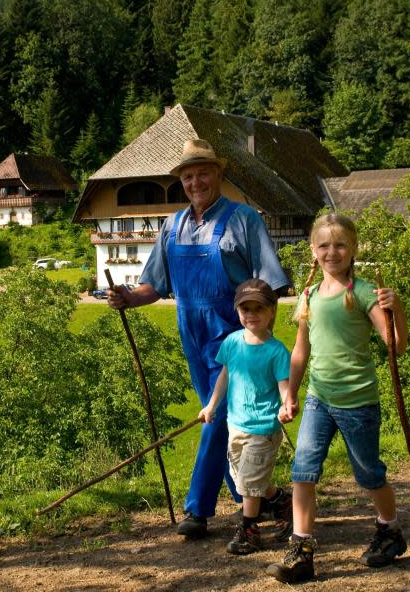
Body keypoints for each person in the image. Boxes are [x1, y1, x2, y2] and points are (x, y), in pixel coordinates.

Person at [107, 139, 291, 539]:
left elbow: (270, 283)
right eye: (188, 176)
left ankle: (198, 509)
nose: (196, 181)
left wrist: (257, 334)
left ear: (218, 175)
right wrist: (126, 298)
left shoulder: (245, 220)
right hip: (193, 338)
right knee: (225, 423)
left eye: (203, 172)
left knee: (218, 417)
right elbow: (152, 286)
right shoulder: (171, 226)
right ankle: (265, 500)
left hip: (237, 339)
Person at [266, 213, 409, 584]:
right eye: (325, 245)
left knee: (369, 474)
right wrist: (291, 394)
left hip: (358, 402)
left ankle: (390, 530)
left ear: (354, 250)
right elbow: (301, 351)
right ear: (314, 251)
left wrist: (399, 311)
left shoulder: (362, 294)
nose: (333, 252)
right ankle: (301, 549)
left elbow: (396, 346)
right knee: (303, 470)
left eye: (341, 244)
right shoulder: (309, 296)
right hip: (318, 399)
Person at [198, 278, 293, 554]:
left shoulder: (276, 352)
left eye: (258, 309)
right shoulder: (231, 342)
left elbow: (284, 387)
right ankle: (280, 501)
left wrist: (287, 405)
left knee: (248, 486)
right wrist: (211, 405)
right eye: (245, 309)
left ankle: (249, 529)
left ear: (272, 311)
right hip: (235, 426)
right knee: (244, 478)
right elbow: (224, 376)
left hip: (263, 428)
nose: (251, 315)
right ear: (237, 311)